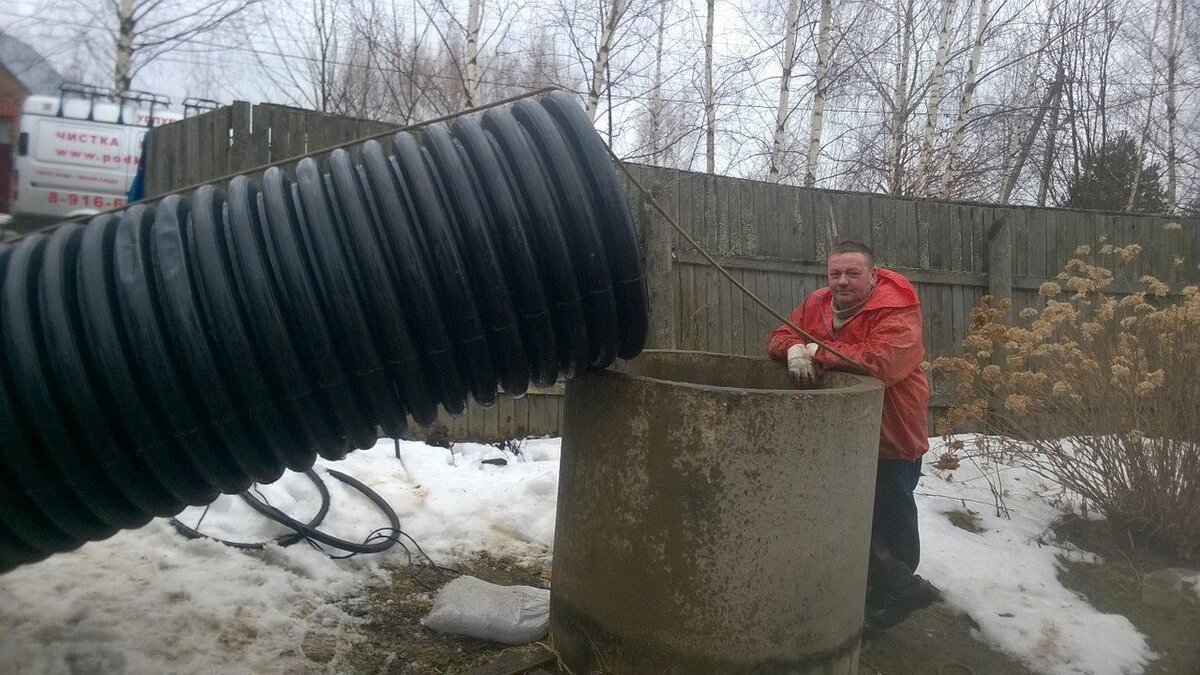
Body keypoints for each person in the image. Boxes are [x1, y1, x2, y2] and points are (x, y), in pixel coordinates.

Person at [765, 240, 940, 634]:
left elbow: (880, 362)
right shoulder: (816, 304)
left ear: (873, 276)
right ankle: (871, 596)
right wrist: (793, 347)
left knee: (889, 517)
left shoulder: (898, 310)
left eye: (852, 273)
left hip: (891, 435)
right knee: (847, 520)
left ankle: (898, 592)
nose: (841, 282)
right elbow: (777, 335)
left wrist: (816, 350)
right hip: (840, 438)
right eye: (834, 274)